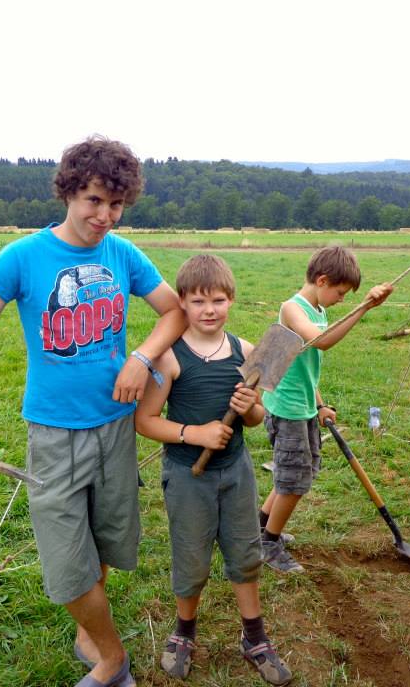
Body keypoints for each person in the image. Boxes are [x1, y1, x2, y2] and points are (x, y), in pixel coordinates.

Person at [0, 136, 185, 687]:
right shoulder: (23, 257)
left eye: (116, 204)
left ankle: (88, 632)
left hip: (114, 428)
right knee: (65, 557)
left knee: (103, 540)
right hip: (54, 436)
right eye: (95, 201)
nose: (106, 216)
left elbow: (173, 311)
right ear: (69, 193)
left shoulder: (122, 254)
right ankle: (111, 658)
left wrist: (142, 356)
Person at [135, 255, 292, 685]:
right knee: (192, 556)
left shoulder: (247, 352)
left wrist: (251, 407)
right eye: (198, 300)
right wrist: (195, 434)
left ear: (231, 301)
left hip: (236, 471)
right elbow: (145, 420)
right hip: (188, 476)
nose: (209, 309)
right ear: (181, 302)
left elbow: (257, 418)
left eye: (218, 300)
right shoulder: (169, 357)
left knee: (245, 552)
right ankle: (184, 632)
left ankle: (254, 636)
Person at [258, 246, 393, 574]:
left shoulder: (318, 309)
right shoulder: (293, 308)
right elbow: (321, 341)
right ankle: (267, 544)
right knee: (294, 480)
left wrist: (320, 404)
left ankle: (259, 527)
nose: (342, 299)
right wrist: (363, 308)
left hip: (303, 407)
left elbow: (303, 365)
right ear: (322, 280)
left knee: (297, 474)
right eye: (341, 292)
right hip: (287, 410)